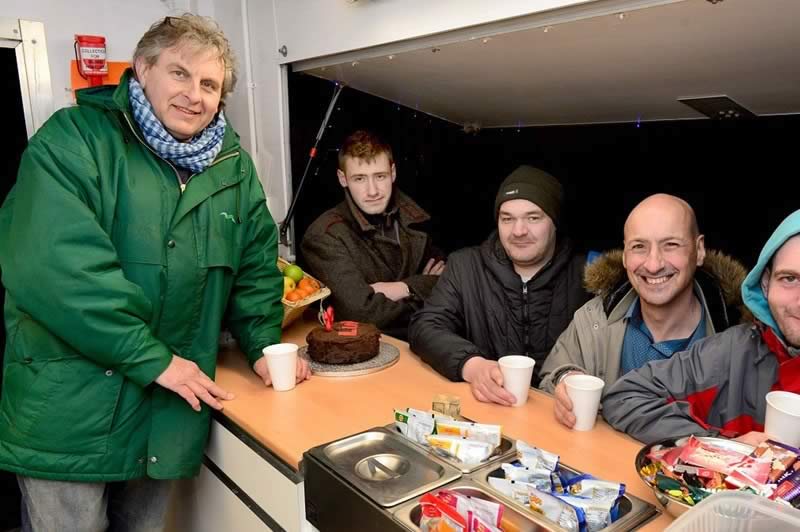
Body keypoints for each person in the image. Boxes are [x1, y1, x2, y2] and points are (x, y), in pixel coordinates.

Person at [0, 14, 309, 531]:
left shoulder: (232, 167)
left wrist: (262, 346)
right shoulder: (75, 138)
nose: (195, 95)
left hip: (163, 414)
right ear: (143, 69)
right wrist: (154, 358)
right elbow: (60, 272)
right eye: (181, 73)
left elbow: (256, 267)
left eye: (209, 84)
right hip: (71, 413)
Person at [540, 194, 746, 429]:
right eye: (639, 247)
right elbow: (549, 379)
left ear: (699, 251)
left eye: (671, 245)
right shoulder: (595, 318)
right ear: (625, 256)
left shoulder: (736, 340)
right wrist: (566, 380)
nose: (653, 264)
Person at [602, 209, 800, 446]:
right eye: (789, 279)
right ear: (766, 284)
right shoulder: (736, 350)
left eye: (670, 245)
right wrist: (725, 447)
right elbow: (625, 397)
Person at [409, 165, 590, 405]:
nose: (518, 231)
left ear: (554, 222)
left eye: (533, 218)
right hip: (490, 410)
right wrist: (472, 365)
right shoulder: (466, 266)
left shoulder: (586, 274)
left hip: (561, 415)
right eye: (507, 219)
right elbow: (425, 325)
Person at [301, 130, 445, 339]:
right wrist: (422, 288)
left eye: (380, 176)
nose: (373, 191)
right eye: (360, 179)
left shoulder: (414, 218)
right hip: (368, 352)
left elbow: (451, 285)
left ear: (393, 173)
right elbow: (361, 313)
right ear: (343, 179)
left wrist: (401, 288)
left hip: (427, 343)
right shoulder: (324, 236)